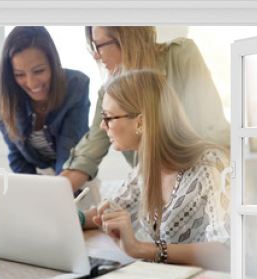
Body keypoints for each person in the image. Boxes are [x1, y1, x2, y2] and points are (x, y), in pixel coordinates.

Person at [78, 70, 231, 270]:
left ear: (140, 122)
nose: (102, 126)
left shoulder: (212, 164)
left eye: (108, 117)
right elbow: (112, 211)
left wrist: (142, 249)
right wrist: (75, 218)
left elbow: (227, 251)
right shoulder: (145, 168)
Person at [60, 26, 230, 192]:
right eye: (92, 47)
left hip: (203, 184)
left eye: (99, 46)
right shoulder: (108, 92)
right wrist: (52, 194)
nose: (96, 55)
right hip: (157, 193)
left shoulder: (180, 55)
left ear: (125, 38)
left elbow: (213, 131)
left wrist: (221, 189)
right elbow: (88, 154)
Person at [0, 26, 90, 175]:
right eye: (20, 74)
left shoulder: (76, 86)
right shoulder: (6, 100)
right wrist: (32, 192)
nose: (32, 83)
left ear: (53, 64)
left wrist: (61, 191)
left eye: (39, 71)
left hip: (74, 170)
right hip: (39, 174)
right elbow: (17, 157)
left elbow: (69, 152)